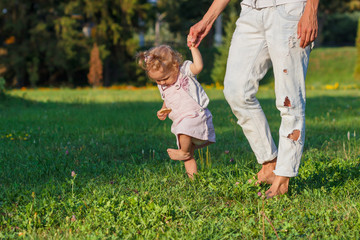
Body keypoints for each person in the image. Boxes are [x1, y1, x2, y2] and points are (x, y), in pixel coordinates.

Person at [188, 0, 319, 197]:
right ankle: (269, 164)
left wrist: (310, 10)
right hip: (250, 12)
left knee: (289, 99)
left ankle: (283, 179)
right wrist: (207, 20)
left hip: (289, 10)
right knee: (236, 91)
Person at [137, 45, 216, 179]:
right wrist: (163, 109)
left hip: (195, 116)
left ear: (175, 66)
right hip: (181, 121)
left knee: (183, 134)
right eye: (158, 80)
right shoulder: (163, 85)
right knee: (187, 153)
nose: (162, 83)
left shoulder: (184, 71)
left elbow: (198, 66)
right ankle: (194, 180)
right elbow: (167, 98)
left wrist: (194, 48)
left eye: (165, 78)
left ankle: (183, 152)